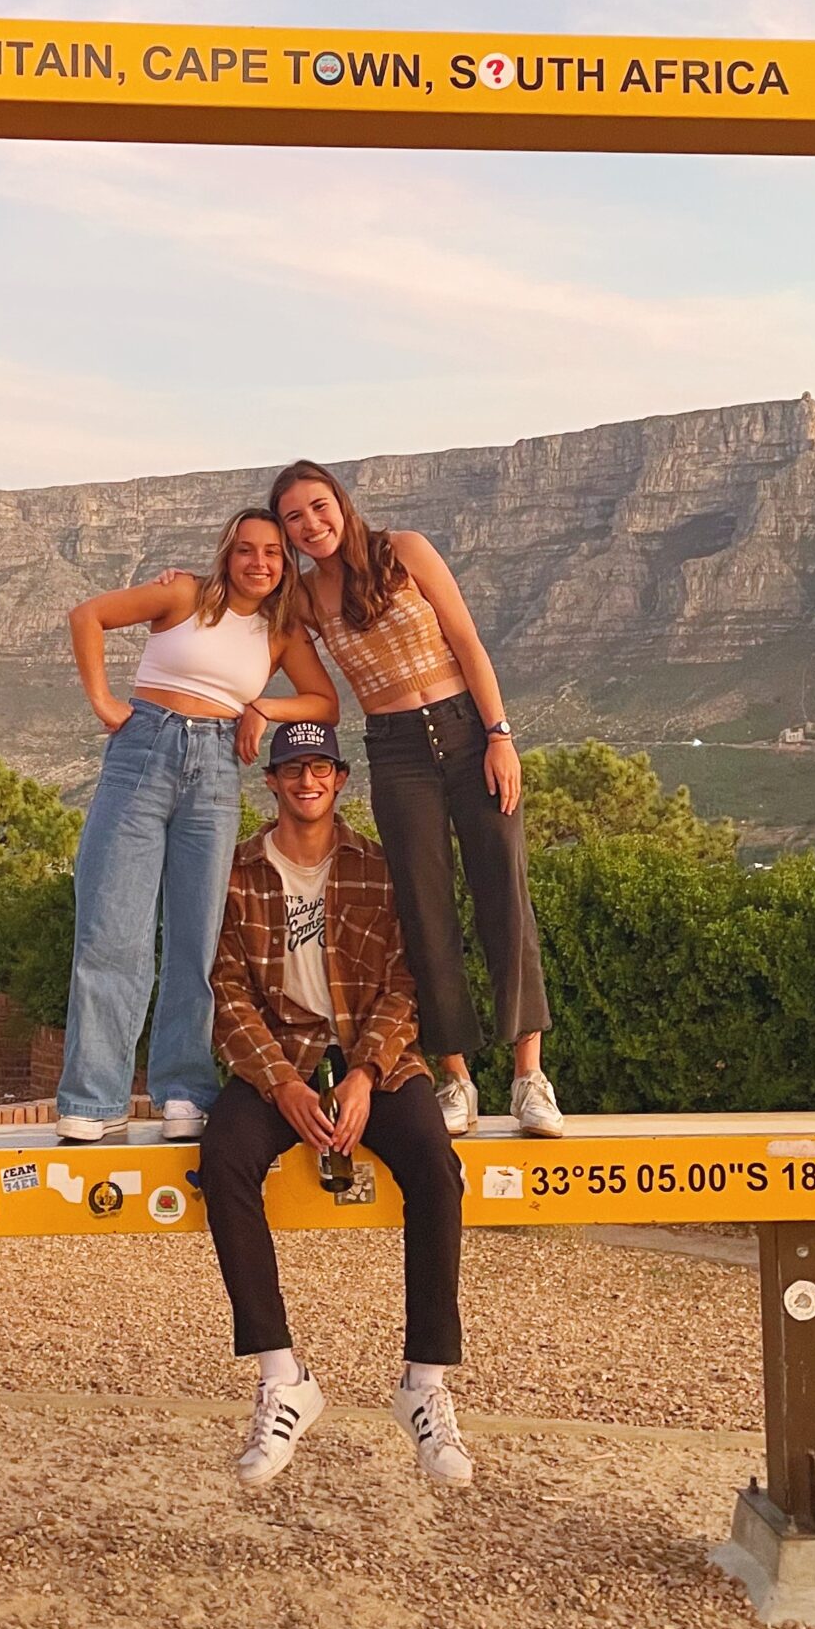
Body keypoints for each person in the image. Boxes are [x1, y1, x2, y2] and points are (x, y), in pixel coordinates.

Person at [202, 722, 471, 1488]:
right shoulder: (238, 873)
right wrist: (281, 1083)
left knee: (431, 1161)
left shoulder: (377, 871)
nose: (306, 781)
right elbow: (226, 992)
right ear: (274, 783)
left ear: (340, 779)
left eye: (319, 768)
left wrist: (363, 1075)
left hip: (369, 1061)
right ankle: (283, 1378)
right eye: (292, 769)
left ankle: (424, 1387)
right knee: (222, 1158)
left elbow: (404, 982)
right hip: (281, 1058)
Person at [268, 460, 561, 1140]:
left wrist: (499, 735)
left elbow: (466, 642)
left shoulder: (404, 550)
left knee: (503, 896)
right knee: (423, 912)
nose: (311, 525)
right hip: (395, 751)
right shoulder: (306, 599)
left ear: (339, 504)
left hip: (466, 731)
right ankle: (456, 1077)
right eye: (294, 517)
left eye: (318, 507)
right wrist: (255, 703)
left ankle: (528, 1077)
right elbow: (249, 621)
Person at [57, 509, 338, 1144]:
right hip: (142, 751)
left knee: (197, 939)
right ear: (227, 554)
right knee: (110, 930)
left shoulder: (280, 630)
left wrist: (263, 704)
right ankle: (94, 1098)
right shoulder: (184, 594)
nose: (259, 562)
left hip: (215, 768)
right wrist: (104, 701)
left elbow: (326, 702)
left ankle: (182, 1090)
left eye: (272, 552)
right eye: (246, 550)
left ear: (284, 562)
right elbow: (88, 616)